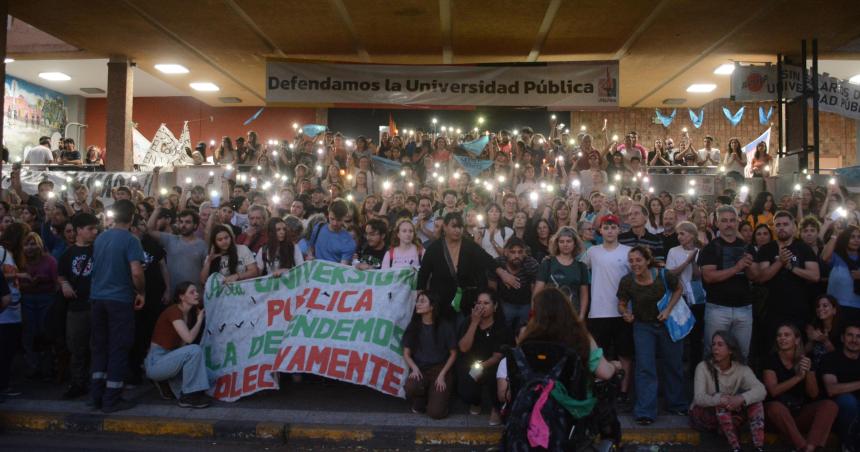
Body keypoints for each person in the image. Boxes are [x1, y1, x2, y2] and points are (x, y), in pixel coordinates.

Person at [617, 245, 687, 424]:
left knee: (673, 364)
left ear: (648, 261)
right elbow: (622, 302)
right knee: (645, 367)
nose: (634, 264)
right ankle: (645, 412)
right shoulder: (627, 281)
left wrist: (668, 309)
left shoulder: (663, 275)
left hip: (667, 325)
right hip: (642, 326)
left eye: (638, 260)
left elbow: (679, 289)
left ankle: (677, 405)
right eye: (631, 261)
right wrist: (625, 313)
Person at [89, 199, 145, 413]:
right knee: (119, 347)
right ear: (132, 218)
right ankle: (112, 398)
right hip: (120, 300)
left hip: (97, 298)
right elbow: (137, 272)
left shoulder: (101, 237)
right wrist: (141, 292)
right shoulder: (131, 240)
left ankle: (96, 396)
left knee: (100, 347)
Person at [417, 213, 520, 321]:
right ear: (445, 227)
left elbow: (487, 259)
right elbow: (423, 274)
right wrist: (421, 298)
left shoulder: (469, 245)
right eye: (454, 226)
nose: (458, 230)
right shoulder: (434, 248)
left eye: (460, 227)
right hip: (441, 300)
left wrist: (503, 274)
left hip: (465, 301)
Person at [762, 323, 838, 452]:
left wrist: (808, 372)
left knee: (830, 405)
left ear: (797, 340)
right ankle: (801, 446)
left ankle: (811, 447)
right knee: (775, 407)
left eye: (787, 335)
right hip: (775, 417)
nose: (782, 338)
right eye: (779, 335)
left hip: (798, 413)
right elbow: (774, 391)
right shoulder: (771, 360)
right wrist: (798, 377)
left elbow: (813, 394)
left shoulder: (806, 360)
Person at [690, 331, 767, 452]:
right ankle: (735, 447)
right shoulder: (703, 366)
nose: (715, 348)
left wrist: (741, 398)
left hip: (728, 412)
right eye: (714, 344)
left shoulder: (741, 369)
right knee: (721, 401)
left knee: (756, 403)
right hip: (705, 414)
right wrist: (720, 399)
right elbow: (699, 398)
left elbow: (761, 390)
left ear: (730, 350)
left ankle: (759, 446)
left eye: (720, 344)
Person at [583, 215, 632, 400]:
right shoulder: (593, 252)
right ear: (600, 230)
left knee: (625, 354)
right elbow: (578, 266)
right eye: (606, 227)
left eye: (613, 227)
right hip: (598, 312)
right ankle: (600, 389)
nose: (610, 231)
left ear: (619, 230)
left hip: (622, 312)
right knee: (598, 355)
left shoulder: (628, 251)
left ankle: (624, 392)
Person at [697, 206, 755, 358]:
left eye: (732, 220)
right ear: (717, 223)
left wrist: (748, 266)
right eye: (724, 221)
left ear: (737, 222)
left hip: (744, 308)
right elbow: (709, 277)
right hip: (718, 308)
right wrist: (737, 267)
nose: (729, 224)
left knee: (742, 355)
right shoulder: (710, 248)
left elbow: (756, 277)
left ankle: (738, 383)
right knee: (713, 354)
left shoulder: (747, 246)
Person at [144, 282, 211, 408]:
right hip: (156, 360)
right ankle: (188, 397)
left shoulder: (187, 315)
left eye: (196, 291)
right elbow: (189, 339)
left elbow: (182, 346)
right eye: (192, 292)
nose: (197, 294)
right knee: (194, 350)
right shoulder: (174, 311)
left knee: (204, 374)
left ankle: (166, 384)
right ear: (182, 297)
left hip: (168, 358)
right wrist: (200, 320)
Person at [754, 211, 820, 335]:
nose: (781, 227)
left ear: (794, 226)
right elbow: (761, 278)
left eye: (785, 224)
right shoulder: (766, 249)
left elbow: (815, 276)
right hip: (772, 310)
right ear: (773, 228)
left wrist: (792, 268)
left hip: (799, 310)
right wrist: (780, 262)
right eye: (778, 225)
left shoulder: (804, 248)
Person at [57, 212, 99, 399]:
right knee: (77, 347)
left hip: (96, 305)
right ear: (79, 230)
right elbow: (61, 274)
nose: (94, 232)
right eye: (90, 229)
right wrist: (64, 284)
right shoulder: (68, 253)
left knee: (96, 346)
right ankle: (78, 383)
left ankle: (95, 382)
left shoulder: (99, 250)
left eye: (95, 228)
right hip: (76, 308)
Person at [456, 291, 510, 425]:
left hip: (491, 365)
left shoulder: (501, 325)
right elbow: (463, 348)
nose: (481, 306)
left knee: (495, 377)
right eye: (479, 303)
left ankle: (496, 408)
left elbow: (497, 356)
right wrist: (474, 323)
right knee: (466, 390)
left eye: (486, 303)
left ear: (495, 306)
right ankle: (475, 401)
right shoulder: (468, 321)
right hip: (470, 363)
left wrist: (480, 367)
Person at [402, 291, 458, 419]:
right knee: (410, 387)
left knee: (436, 413)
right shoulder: (413, 326)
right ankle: (421, 398)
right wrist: (414, 368)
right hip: (421, 368)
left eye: (422, 301)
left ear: (432, 307)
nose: (418, 304)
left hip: (440, 370)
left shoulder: (445, 326)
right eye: (418, 301)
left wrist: (442, 375)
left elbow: (453, 354)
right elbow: (406, 353)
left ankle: (437, 397)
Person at [18, 232, 58, 380]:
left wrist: (44, 280)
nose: (30, 247)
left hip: (46, 298)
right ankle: (33, 366)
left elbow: (56, 282)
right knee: (29, 333)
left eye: (33, 243)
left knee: (45, 332)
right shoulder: (21, 262)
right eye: (27, 244)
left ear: (40, 245)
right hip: (27, 299)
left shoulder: (50, 261)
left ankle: (48, 367)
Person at [146, 207, 208, 298]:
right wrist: (157, 210)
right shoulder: (170, 239)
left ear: (195, 225)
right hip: (173, 294)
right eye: (181, 222)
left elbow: (206, 270)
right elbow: (150, 230)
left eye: (187, 222)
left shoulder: (203, 245)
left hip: (195, 294)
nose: (183, 225)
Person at [666, 221, 705, 366]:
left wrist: (694, 260)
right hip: (679, 297)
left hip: (697, 297)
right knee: (680, 334)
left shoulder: (702, 251)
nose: (679, 237)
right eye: (678, 234)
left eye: (682, 233)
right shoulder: (673, 251)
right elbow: (671, 274)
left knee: (696, 336)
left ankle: (695, 368)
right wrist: (687, 261)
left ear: (692, 234)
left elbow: (698, 275)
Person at [534, 226, 590, 319]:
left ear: (575, 243)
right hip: (549, 316)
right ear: (557, 244)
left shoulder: (581, 267)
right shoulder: (547, 263)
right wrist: (536, 313)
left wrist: (581, 316)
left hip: (572, 316)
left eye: (569, 241)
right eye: (561, 241)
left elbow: (584, 295)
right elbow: (537, 292)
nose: (565, 244)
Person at [819, 323, 860, 445]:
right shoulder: (831, 358)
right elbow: (832, 389)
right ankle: (847, 444)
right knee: (847, 400)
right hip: (838, 409)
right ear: (842, 338)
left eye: (858, 336)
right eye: (850, 335)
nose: (854, 340)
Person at [0, 223, 27, 398]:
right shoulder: (2, 252)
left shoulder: (10, 254)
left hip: (13, 309)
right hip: (4, 311)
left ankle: (5, 383)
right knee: (3, 350)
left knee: (8, 350)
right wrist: (18, 275)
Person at [489, 237, 537, 333]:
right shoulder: (497, 263)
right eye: (513, 252)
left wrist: (533, 310)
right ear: (506, 252)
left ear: (524, 252)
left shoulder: (531, 264)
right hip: (505, 304)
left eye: (520, 252)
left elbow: (534, 290)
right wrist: (495, 308)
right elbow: (491, 288)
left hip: (525, 304)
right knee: (503, 332)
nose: (516, 255)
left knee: (526, 332)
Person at [822, 225, 860, 323]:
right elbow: (824, 257)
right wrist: (836, 234)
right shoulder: (836, 256)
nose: (856, 240)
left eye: (859, 237)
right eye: (852, 237)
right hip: (836, 307)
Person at [307, 199, 356, 265]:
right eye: (332, 218)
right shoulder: (319, 227)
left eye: (339, 220)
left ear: (345, 217)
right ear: (328, 214)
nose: (334, 223)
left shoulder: (348, 241)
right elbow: (311, 247)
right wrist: (310, 256)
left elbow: (342, 267)